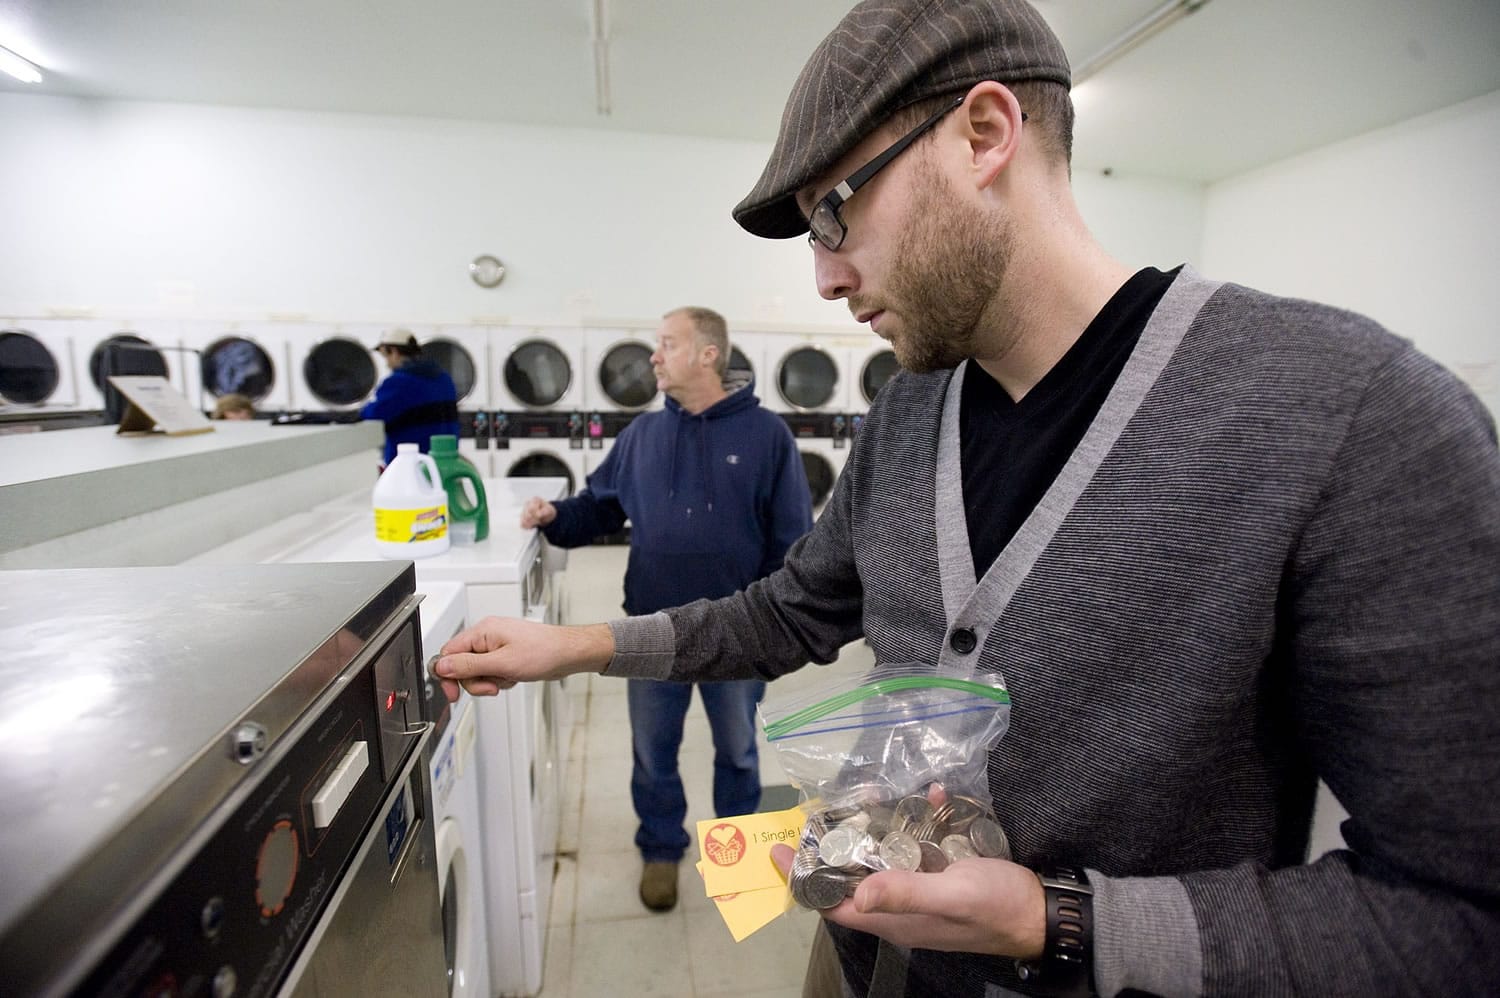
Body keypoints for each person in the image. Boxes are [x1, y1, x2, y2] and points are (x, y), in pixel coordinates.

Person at [434, 1, 1500, 995]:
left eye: (835, 214)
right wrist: (572, 647)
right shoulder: (908, 413)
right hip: (857, 949)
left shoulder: (1349, 417)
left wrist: (1064, 921)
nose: (825, 277)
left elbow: (1459, 909)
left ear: (985, 133)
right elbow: (790, 607)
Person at [519, 306, 813, 912]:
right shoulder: (641, 438)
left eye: (667, 344)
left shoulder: (766, 436)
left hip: (740, 634)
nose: (653, 355)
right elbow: (598, 508)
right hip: (650, 632)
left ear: (708, 353)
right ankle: (660, 849)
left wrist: (774, 626)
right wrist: (555, 518)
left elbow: (792, 541)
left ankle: (743, 854)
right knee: (653, 751)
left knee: (737, 749)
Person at [360, 328, 459, 467]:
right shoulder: (444, 378)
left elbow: (374, 414)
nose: (387, 363)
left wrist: (360, 412)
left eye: (386, 356)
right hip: (445, 462)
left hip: (412, 467)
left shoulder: (398, 382)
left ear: (394, 352)